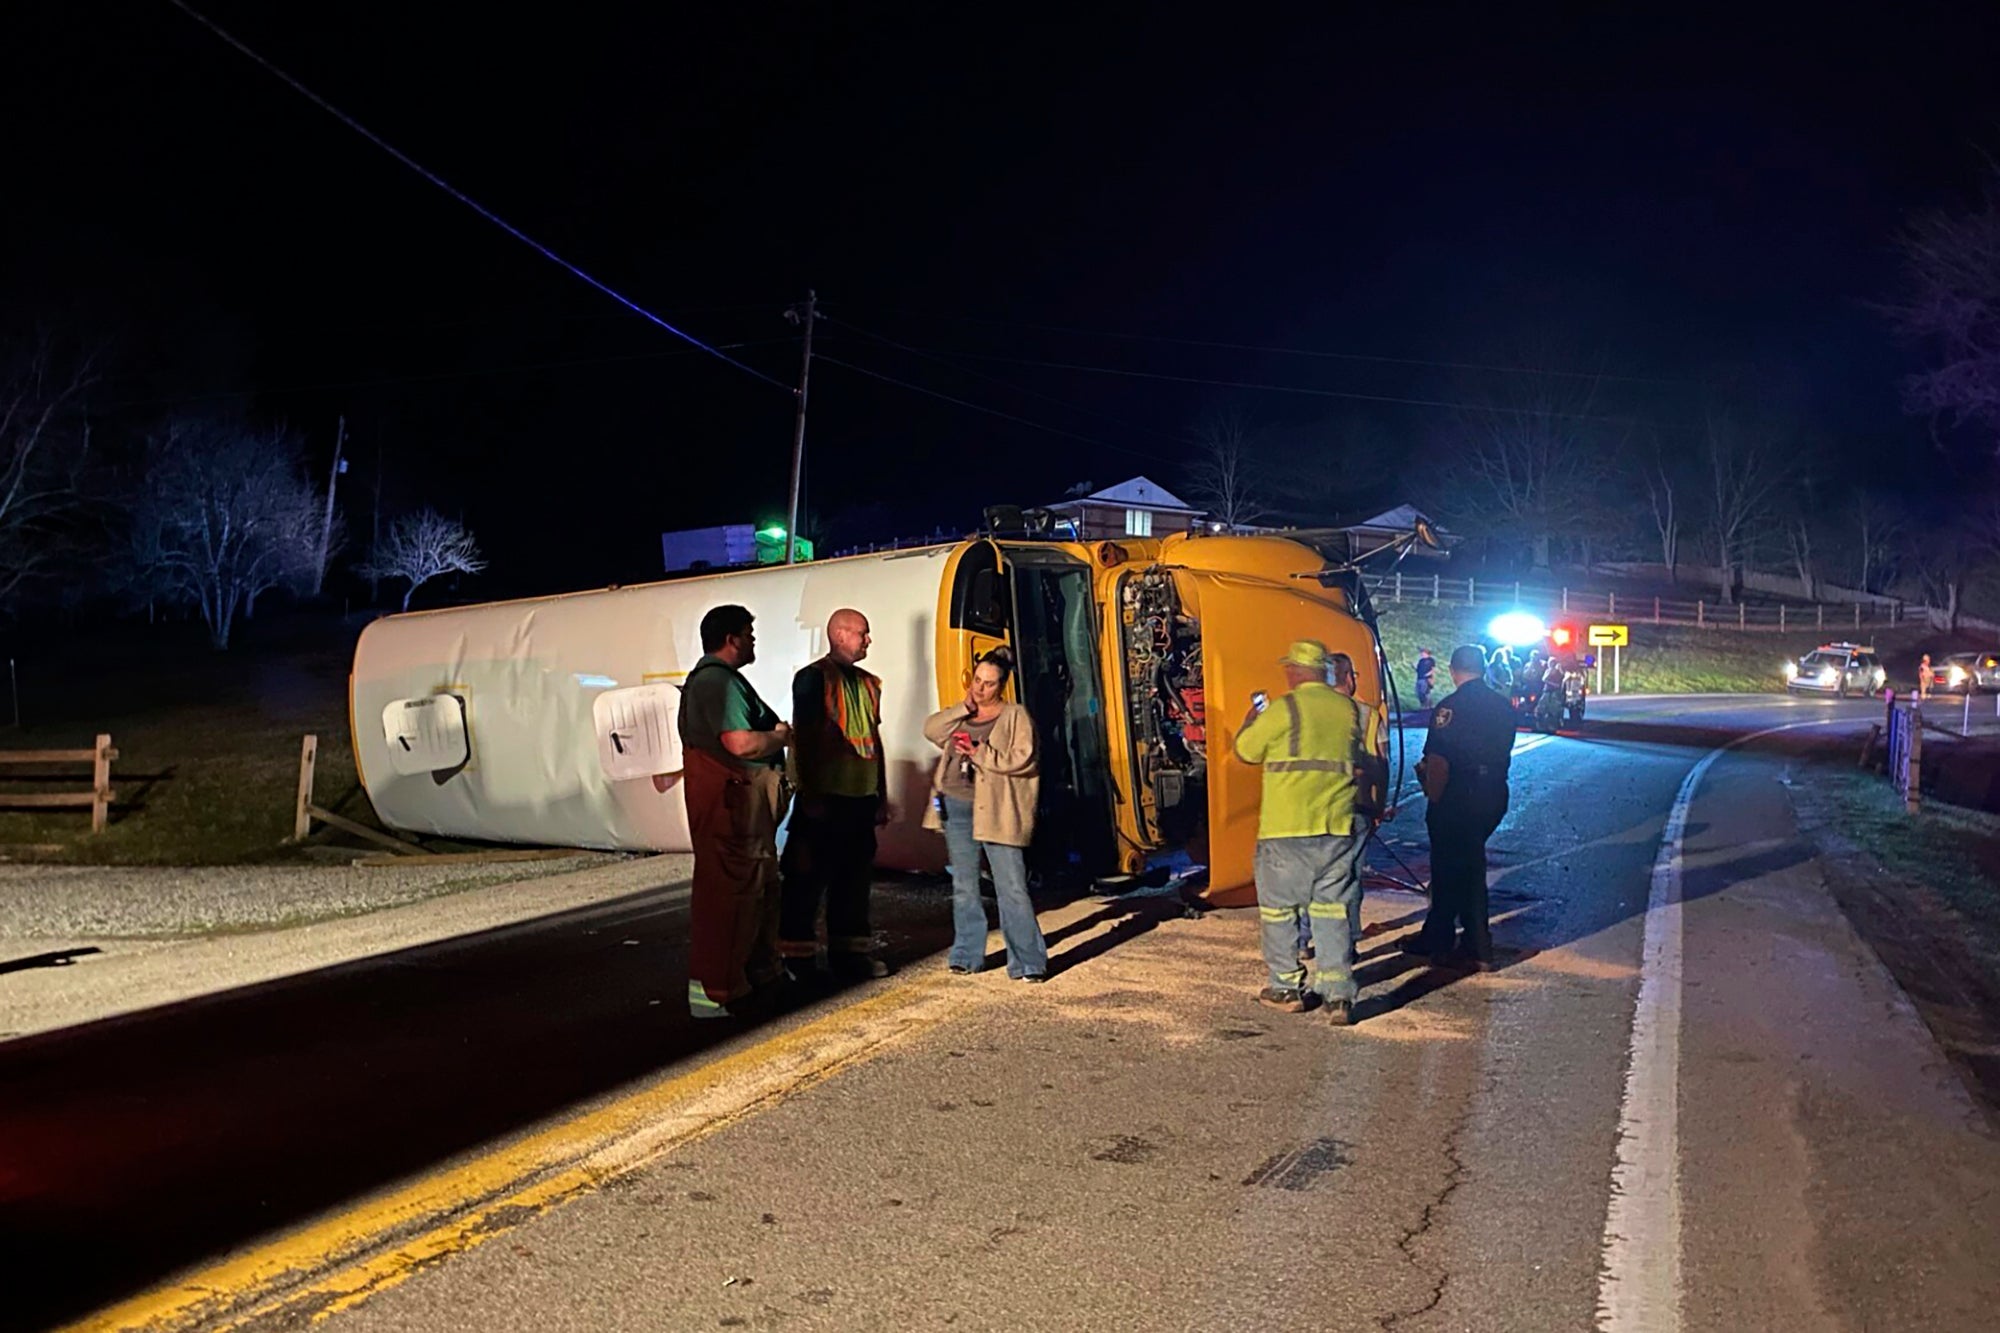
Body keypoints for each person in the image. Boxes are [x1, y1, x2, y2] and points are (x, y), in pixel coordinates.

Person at [1234, 640, 1367, 1025]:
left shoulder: (1284, 708)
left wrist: (1250, 719)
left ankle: (1285, 987)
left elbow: (1246, 750)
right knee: (1332, 911)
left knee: (1279, 912)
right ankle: (1338, 995)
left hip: (1286, 827)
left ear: (1294, 670)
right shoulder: (1346, 709)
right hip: (1336, 826)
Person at [677, 605, 792, 1019]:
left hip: (736, 806)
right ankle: (714, 993)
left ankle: (747, 977)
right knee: (729, 898)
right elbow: (740, 744)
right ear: (731, 639)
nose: (753, 640)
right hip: (733, 808)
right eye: (749, 633)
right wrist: (778, 737)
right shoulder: (717, 684)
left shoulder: (715, 681)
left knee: (751, 892)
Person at [922, 648, 1049, 982]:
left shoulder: (1015, 716)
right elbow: (932, 730)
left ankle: (1028, 962)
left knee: (1011, 887)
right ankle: (966, 955)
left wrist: (981, 753)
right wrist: (962, 709)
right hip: (956, 807)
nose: (980, 689)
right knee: (964, 885)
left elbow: (1023, 758)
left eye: (988, 684)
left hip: (996, 812)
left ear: (1001, 686)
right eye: (977, 680)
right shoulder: (963, 714)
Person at [779, 608, 892, 983]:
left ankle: (850, 958)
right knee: (805, 883)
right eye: (864, 633)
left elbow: (874, 743)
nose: (868, 640)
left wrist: (881, 794)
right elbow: (808, 739)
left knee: (853, 884)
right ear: (841, 635)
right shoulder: (813, 680)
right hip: (824, 800)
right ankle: (798, 961)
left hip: (858, 799)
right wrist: (811, 793)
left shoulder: (868, 683)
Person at [1406, 643, 1514, 970]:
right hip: (1494, 792)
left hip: (1459, 794)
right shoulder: (1503, 705)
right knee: (1468, 860)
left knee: (1452, 865)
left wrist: (1434, 801)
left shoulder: (1449, 707)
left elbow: (1438, 761)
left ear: (1454, 671)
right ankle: (1457, 937)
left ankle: (1462, 941)